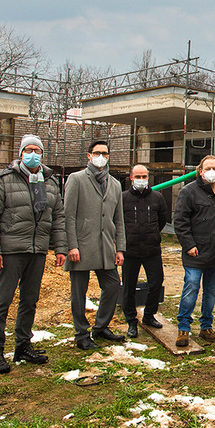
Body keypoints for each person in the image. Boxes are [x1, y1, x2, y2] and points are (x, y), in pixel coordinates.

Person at [0, 134, 67, 374]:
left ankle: (22, 345)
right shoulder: (3, 179)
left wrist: (59, 247)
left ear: (42, 154)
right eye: (28, 150)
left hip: (37, 250)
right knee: (2, 301)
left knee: (30, 300)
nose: (33, 154)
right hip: (11, 250)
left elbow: (57, 217)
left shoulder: (48, 181)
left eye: (37, 150)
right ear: (21, 153)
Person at [64, 140, 126, 350]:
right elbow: (68, 215)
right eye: (97, 153)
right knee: (78, 293)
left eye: (105, 153)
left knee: (111, 285)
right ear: (89, 156)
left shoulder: (115, 184)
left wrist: (120, 248)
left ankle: (101, 327)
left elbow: (119, 220)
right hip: (81, 246)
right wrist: (71, 245)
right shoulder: (77, 179)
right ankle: (81, 334)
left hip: (106, 246)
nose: (101, 156)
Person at [173, 155, 215, 347]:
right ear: (200, 171)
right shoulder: (188, 192)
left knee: (211, 292)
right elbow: (180, 222)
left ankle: (206, 327)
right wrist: (189, 245)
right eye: (208, 168)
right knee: (191, 288)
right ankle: (183, 328)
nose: (212, 171)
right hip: (196, 253)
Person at [121, 164, 169, 338]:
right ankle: (131, 321)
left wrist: (153, 234)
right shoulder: (123, 198)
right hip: (130, 251)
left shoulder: (157, 198)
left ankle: (149, 315)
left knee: (156, 282)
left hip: (152, 249)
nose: (141, 179)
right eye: (138, 176)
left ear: (148, 178)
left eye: (144, 176)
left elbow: (162, 220)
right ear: (131, 178)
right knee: (129, 287)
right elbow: (117, 221)